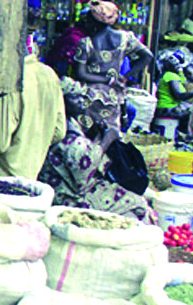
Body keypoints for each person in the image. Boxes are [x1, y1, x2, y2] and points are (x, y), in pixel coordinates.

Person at [39, 78, 155, 223]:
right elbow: (84, 170)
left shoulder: (67, 122)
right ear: (61, 101)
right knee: (137, 203)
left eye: (81, 96)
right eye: (74, 97)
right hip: (68, 194)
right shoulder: (65, 131)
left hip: (67, 184)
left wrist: (97, 135)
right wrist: (107, 138)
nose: (81, 101)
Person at [0, 52, 66, 179]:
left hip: (0, 179)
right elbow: (59, 131)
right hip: (30, 176)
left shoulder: (10, 78)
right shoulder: (48, 74)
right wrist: (30, 142)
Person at [72, 0, 154, 132]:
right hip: (113, 95)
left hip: (90, 96)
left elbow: (81, 73)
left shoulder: (86, 42)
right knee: (109, 135)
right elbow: (147, 56)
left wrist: (106, 79)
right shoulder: (125, 38)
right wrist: (125, 77)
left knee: (89, 136)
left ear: (94, 21)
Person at [154, 53, 193, 119]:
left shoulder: (169, 75)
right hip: (167, 108)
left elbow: (184, 82)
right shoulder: (171, 76)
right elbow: (179, 96)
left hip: (166, 107)